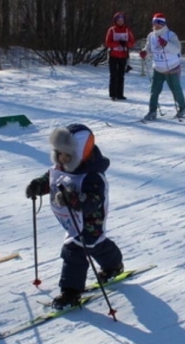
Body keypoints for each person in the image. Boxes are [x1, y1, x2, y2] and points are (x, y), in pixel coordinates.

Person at [25, 124, 124, 310]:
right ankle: (114, 265)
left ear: (81, 153)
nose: (61, 159)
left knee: (75, 251)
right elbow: (51, 180)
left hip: (91, 220)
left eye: (67, 155)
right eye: (58, 153)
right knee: (96, 246)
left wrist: (73, 199)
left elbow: (93, 201)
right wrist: (38, 186)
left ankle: (71, 292)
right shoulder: (61, 167)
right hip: (72, 221)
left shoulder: (93, 176)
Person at [139, 13, 185, 120]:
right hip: (158, 68)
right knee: (154, 91)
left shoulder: (171, 35)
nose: (156, 26)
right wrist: (145, 53)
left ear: (163, 24)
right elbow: (149, 49)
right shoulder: (151, 36)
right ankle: (152, 112)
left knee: (176, 90)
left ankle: (183, 108)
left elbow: (176, 49)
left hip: (172, 68)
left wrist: (166, 44)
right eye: (154, 23)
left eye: (158, 24)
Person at [104, 12, 135, 101]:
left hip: (123, 55)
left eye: (122, 20)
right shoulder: (112, 30)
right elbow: (108, 43)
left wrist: (126, 44)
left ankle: (120, 94)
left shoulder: (127, 30)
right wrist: (117, 43)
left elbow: (132, 42)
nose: (120, 22)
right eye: (118, 20)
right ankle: (113, 94)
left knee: (121, 75)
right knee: (113, 75)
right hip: (113, 55)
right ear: (115, 21)